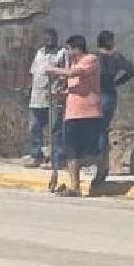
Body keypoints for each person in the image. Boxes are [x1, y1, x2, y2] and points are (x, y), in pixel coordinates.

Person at [46, 35, 102, 197]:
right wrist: (57, 95)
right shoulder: (74, 64)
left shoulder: (90, 60)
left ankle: (100, 171)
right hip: (72, 114)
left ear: (76, 48)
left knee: (90, 152)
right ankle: (74, 186)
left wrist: (53, 70)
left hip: (89, 113)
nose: (68, 53)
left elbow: (74, 73)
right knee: (71, 151)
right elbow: (75, 89)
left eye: (69, 49)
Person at [91, 30, 134, 189]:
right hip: (108, 94)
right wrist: (117, 83)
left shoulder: (94, 56)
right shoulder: (116, 57)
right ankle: (102, 166)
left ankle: (99, 166)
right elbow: (131, 71)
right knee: (102, 130)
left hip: (96, 94)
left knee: (97, 130)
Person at [25, 29, 67, 168]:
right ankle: (36, 155)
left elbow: (67, 73)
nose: (49, 40)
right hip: (37, 97)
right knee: (34, 127)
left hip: (53, 95)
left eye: (52, 38)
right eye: (46, 38)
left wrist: (61, 89)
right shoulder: (39, 53)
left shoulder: (62, 53)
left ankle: (57, 159)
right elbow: (34, 73)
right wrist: (29, 89)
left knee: (55, 128)